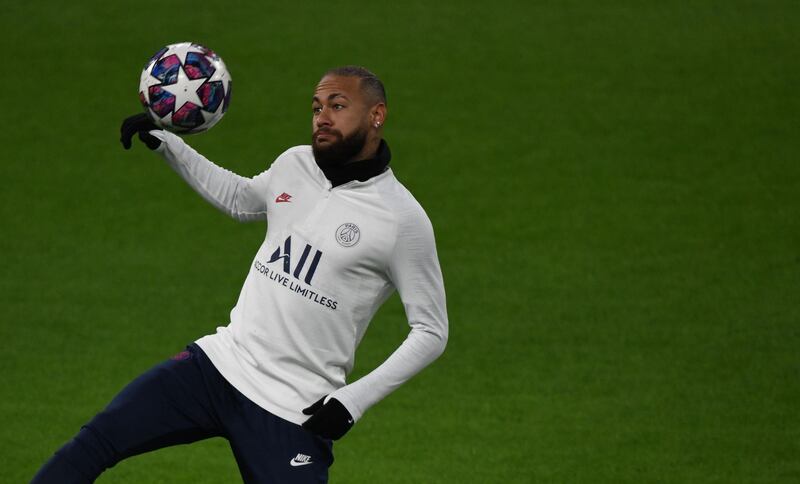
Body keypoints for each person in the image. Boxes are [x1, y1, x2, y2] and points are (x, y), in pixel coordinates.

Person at [31, 66, 448, 483]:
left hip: (293, 409)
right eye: (317, 107)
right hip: (218, 366)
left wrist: (352, 402)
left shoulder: (402, 220)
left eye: (338, 106)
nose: (322, 117)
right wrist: (169, 145)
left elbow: (431, 330)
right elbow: (239, 199)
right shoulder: (295, 164)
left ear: (377, 115)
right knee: (97, 440)